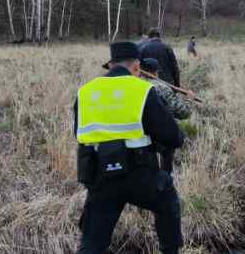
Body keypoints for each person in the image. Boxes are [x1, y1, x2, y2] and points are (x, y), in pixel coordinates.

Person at [74, 42, 184, 254]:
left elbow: (78, 134)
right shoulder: (142, 90)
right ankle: (170, 250)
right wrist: (179, 137)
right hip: (140, 175)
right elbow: (171, 136)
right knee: (168, 202)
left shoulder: (85, 92)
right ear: (135, 66)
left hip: (100, 176)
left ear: (111, 64)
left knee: (92, 243)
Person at [141, 58, 193, 175]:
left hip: (138, 139)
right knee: (165, 168)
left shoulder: (134, 85)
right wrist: (189, 99)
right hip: (161, 137)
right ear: (156, 72)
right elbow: (184, 112)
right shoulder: (162, 87)